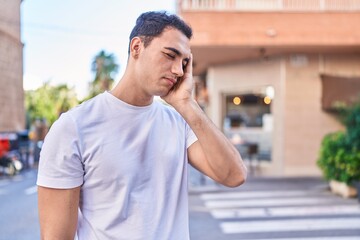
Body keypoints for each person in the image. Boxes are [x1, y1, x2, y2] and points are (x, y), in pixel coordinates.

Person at [37, 11, 247, 240]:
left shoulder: (179, 121)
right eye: (170, 55)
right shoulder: (73, 127)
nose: (178, 70)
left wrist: (188, 105)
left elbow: (234, 175)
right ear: (137, 47)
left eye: (184, 62)